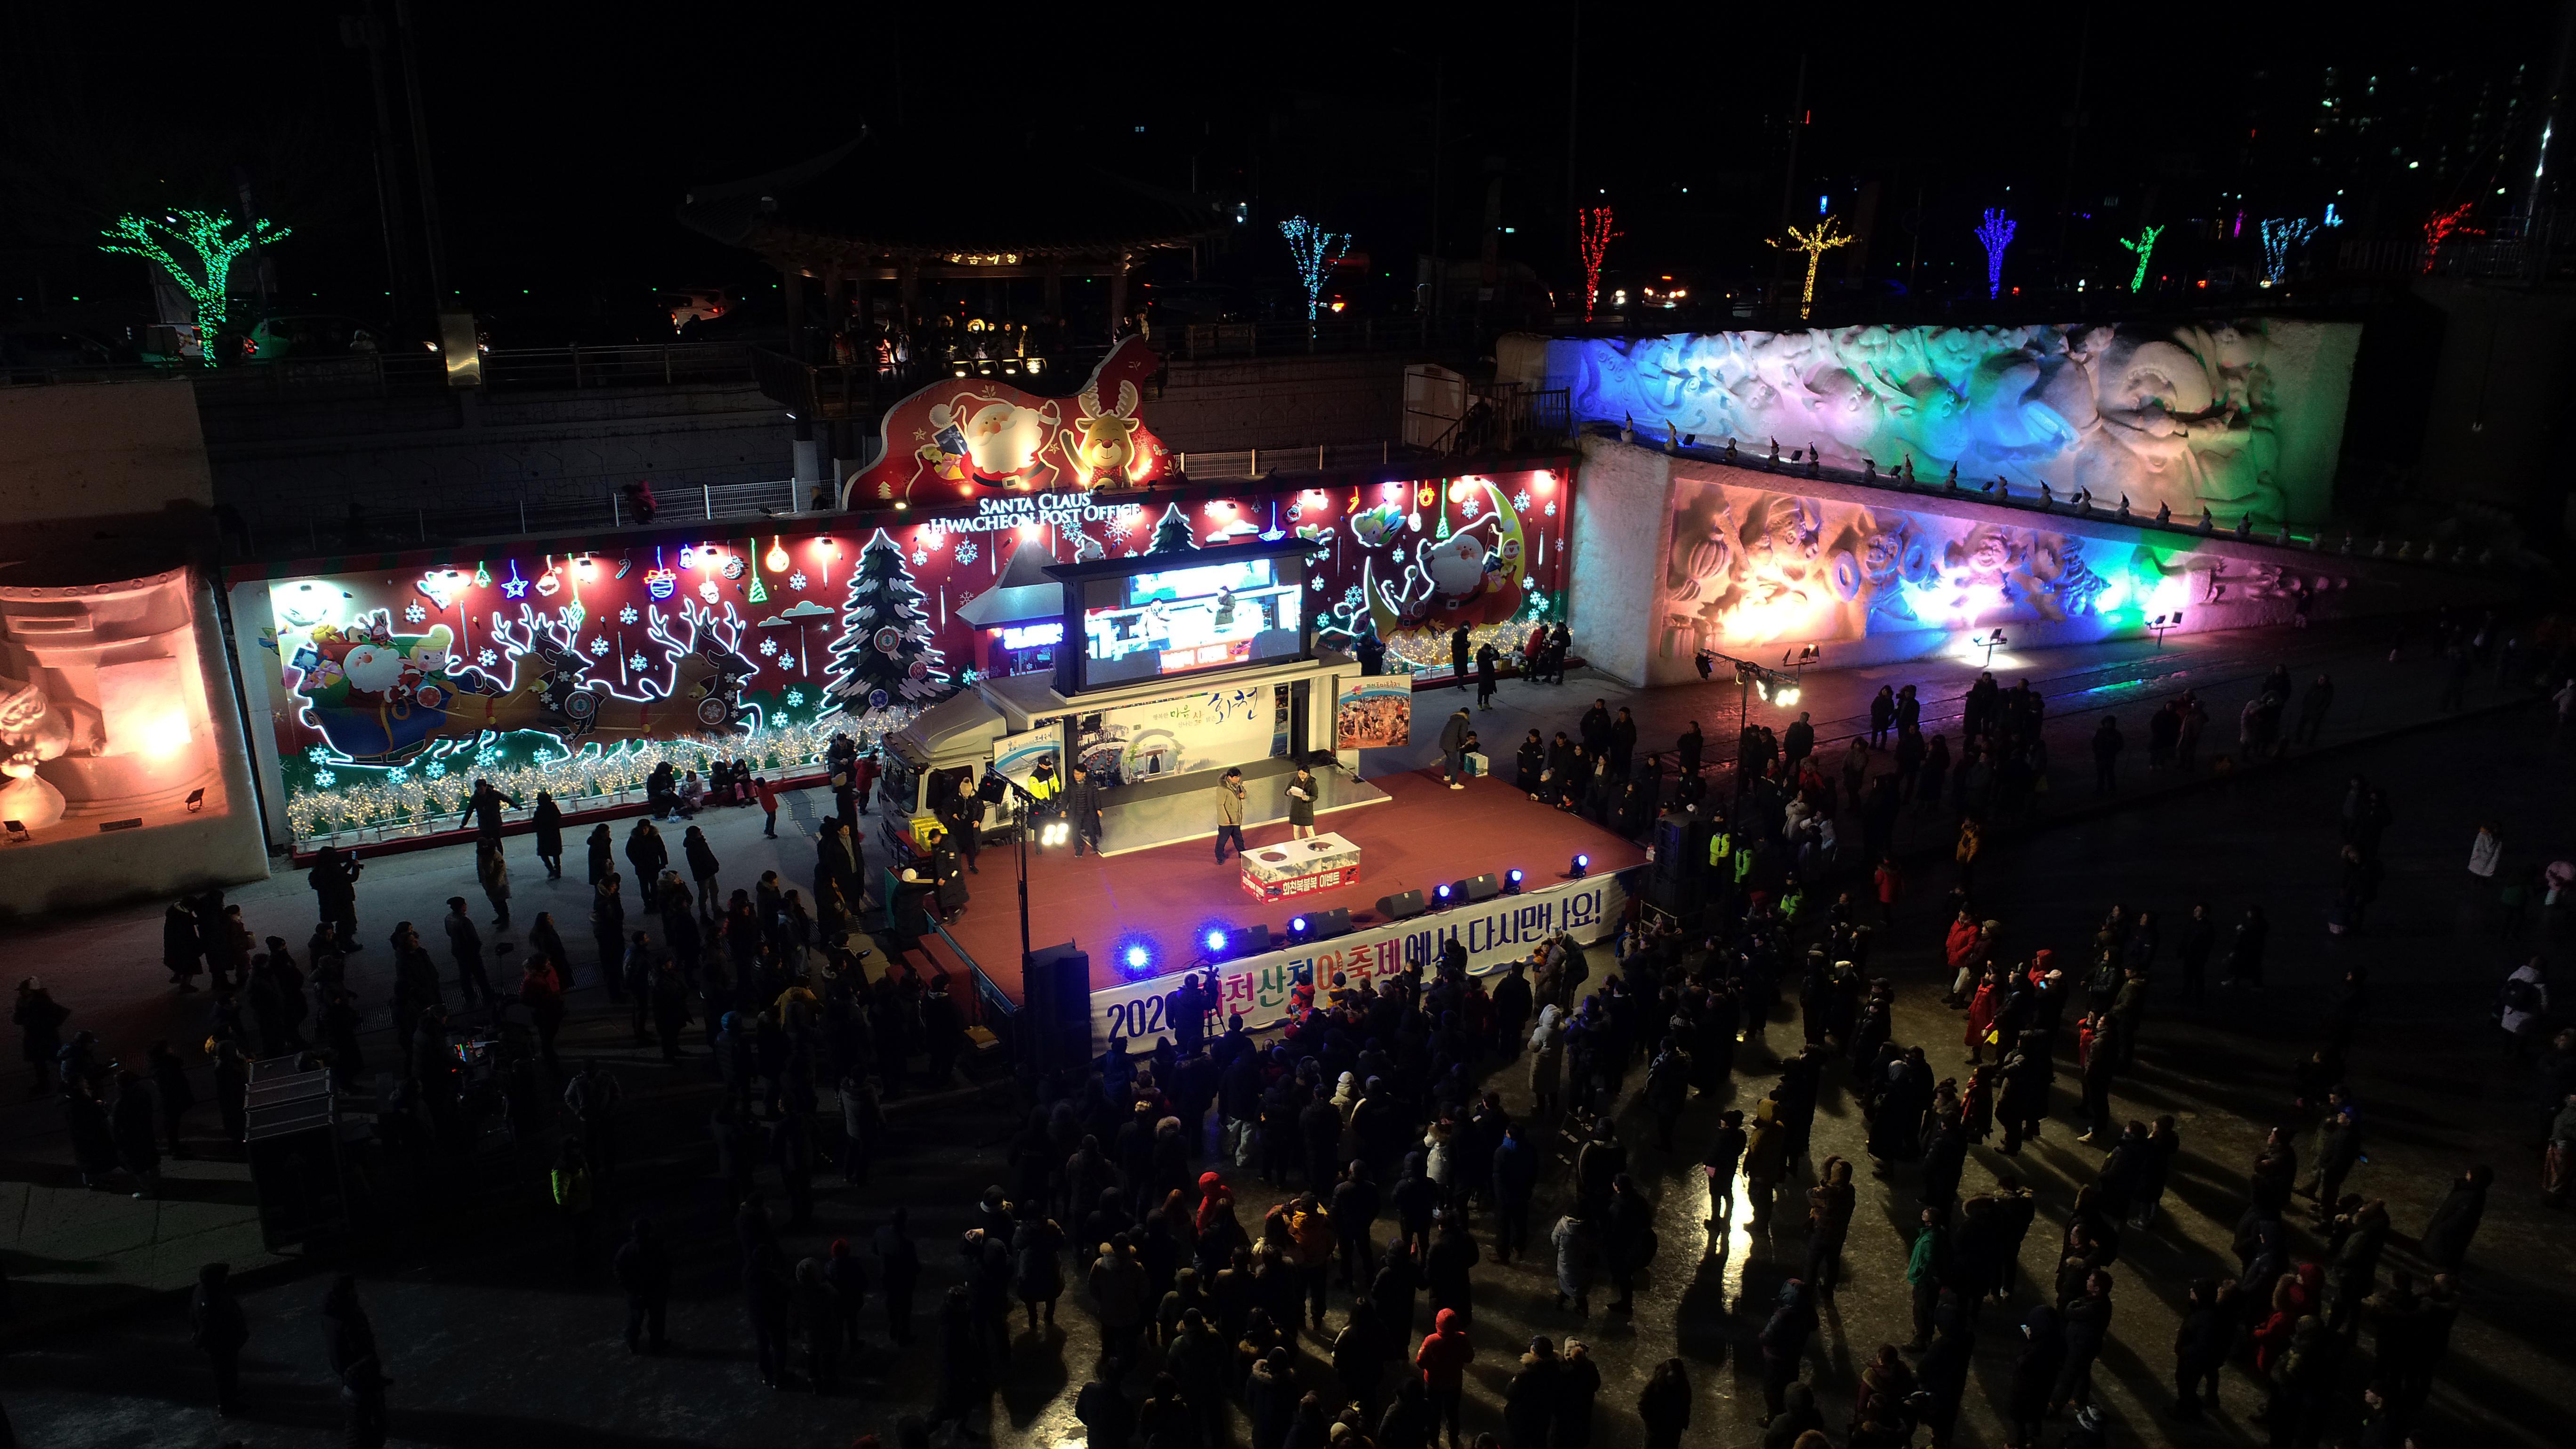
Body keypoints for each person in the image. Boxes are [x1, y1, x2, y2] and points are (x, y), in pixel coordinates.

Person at [191, 1262, 250, 1416]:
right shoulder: (212, 1301)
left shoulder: (203, 1291)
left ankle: (232, 1396)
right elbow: (207, 1327)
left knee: (228, 1373)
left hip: (225, 1343)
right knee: (225, 1375)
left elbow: (192, 1315)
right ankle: (228, 1405)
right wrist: (199, 1341)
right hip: (222, 1345)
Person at [1414, 1307, 1474, 1449]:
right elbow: (1470, 1357)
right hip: (1454, 1383)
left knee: (1434, 1413)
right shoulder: (1462, 1338)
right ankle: (1453, 1440)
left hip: (1433, 1383)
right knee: (1452, 1413)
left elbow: (1420, 1362)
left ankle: (1433, 1440)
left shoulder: (1431, 1341)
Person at [614, 1217, 671, 1354]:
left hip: (635, 1292)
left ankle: (632, 1343)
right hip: (654, 1290)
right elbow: (666, 1267)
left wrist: (627, 1285)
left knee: (635, 1318)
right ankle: (657, 1343)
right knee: (657, 1318)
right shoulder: (657, 1247)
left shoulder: (627, 1249)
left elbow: (618, 1268)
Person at [1637, 1357, 1691, 1449]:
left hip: (1672, 1433)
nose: (1672, 1381)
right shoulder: (1656, 1386)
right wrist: (1652, 1426)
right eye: (1670, 1378)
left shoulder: (1683, 1388)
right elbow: (1643, 1405)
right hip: (1656, 1433)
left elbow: (1686, 1406)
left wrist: (1683, 1422)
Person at [1215, 767, 1248, 864]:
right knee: (1222, 840)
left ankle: (1242, 852)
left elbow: (1244, 793)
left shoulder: (1238, 786)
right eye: (1236, 777)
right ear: (1230, 777)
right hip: (1226, 821)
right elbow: (1220, 805)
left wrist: (1243, 795)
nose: (1238, 779)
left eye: (1238, 777)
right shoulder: (1222, 789)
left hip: (1236, 818)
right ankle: (1219, 857)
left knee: (1239, 838)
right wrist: (1226, 819)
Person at [531, 791, 564, 878]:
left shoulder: (539, 811)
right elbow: (558, 817)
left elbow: (535, 824)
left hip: (543, 835)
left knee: (543, 854)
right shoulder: (553, 808)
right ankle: (558, 870)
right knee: (555, 853)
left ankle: (551, 870)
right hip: (554, 833)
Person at [1439, 708, 1472, 789]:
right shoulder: (1463, 721)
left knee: (1449, 758)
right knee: (1455, 762)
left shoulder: (1453, 719)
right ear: (1467, 714)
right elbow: (1462, 734)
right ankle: (1454, 783)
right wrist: (1463, 743)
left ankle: (1447, 775)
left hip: (1443, 742)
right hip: (1451, 744)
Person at [1286, 765, 1319, 841]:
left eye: (1303, 774)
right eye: (1300, 774)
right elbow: (1287, 789)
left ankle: (1313, 844)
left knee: (1309, 829)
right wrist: (1288, 792)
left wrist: (1307, 798)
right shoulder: (1295, 780)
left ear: (1308, 773)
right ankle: (1297, 843)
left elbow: (1315, 796)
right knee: (1296, 829)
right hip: (1296, 808)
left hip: (1306, 809)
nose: (1301, 776)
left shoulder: (1312, 783)